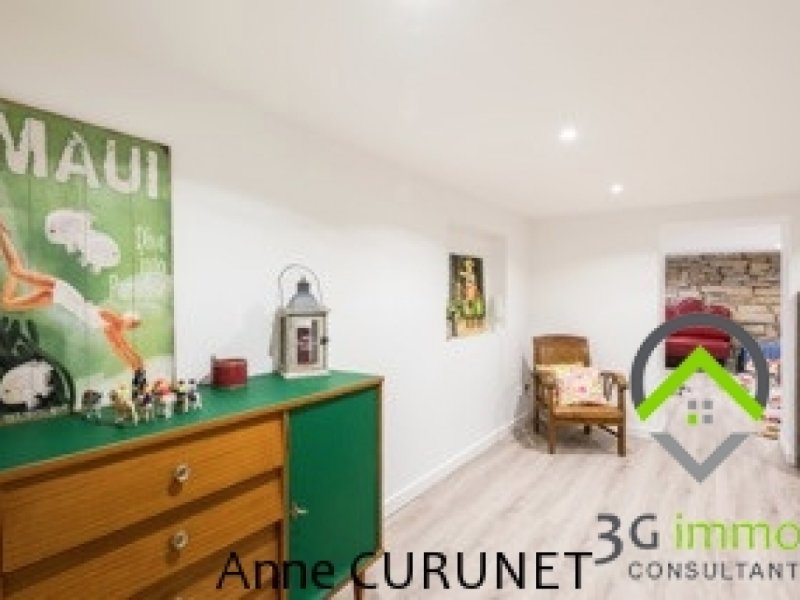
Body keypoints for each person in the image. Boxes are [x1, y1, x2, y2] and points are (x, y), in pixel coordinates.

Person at [0, 216, 143, 369]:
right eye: (133, 321)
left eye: (133, 325)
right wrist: (138, 364)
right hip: (64, 291)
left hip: (58, 299)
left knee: (6, 303)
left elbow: (120, 348)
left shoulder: (111, 330)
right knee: (16, 270)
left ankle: (15, 270)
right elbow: (121, 342)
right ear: (127, 317)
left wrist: (137, 365)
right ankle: (3, 234)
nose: (131, 324)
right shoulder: (114, 320)